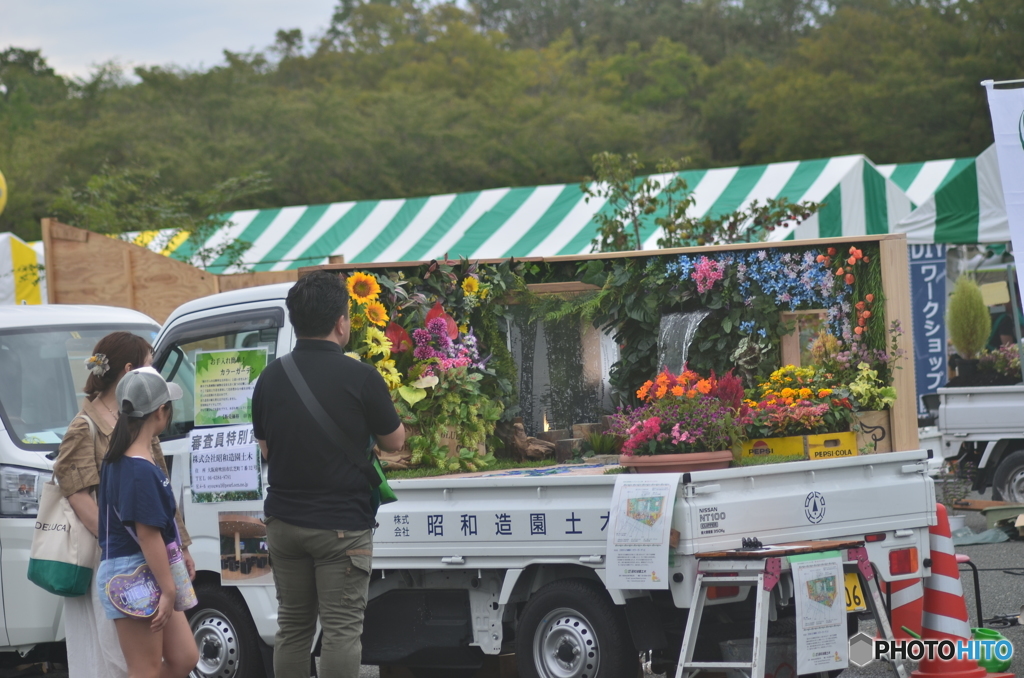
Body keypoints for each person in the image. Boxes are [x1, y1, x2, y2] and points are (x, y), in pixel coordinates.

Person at [253, 271, 405, 678]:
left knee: (293, 630)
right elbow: (394, 442)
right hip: (341, 527)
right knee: (340, 632)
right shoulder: (361, 377)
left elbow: (267, 449)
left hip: (284, 523)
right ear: (341, 322)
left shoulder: (268, 379)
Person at [53, 332, 194, 678]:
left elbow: (159, 492)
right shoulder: (85, 427)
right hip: (123, 562)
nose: (155, 372)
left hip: (156, 556)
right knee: (122, 664)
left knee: (181, 657)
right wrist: (116, 535)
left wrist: (181, 547)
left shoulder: (136, 428)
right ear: (130, 370)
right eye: (150, 365)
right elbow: (74, 490)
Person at [96, 367, 199, 678]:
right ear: (160, 411)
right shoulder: (138, 469)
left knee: (184, 658)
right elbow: (147, 535)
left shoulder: (128, 458)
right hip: (135, 575)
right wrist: (169, 591)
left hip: (146, 569)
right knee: (146, 669)